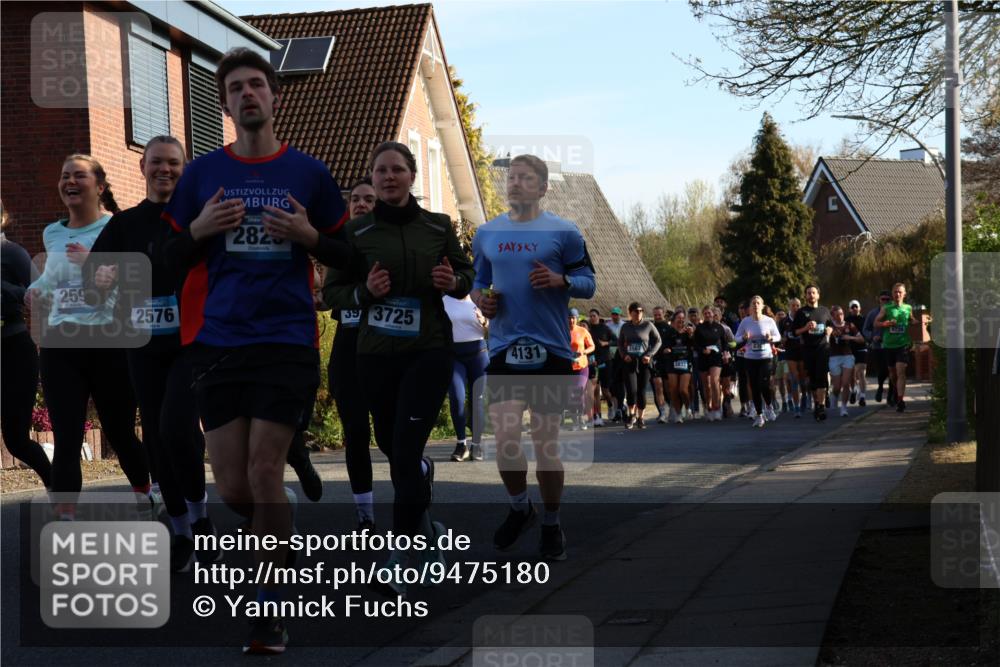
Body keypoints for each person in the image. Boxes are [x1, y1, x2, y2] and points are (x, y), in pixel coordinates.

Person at [162, 48, 350, 654]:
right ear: (225, 104)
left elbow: (353, 256)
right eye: (236, 87)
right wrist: (199, 230)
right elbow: (163, 263)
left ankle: (267, 612)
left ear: (275, 98)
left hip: (286, 340)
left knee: (264, 471)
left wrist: (309, 237)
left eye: (257, 86)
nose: (247, 94)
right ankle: (278, 508)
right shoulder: (199, 176)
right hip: (219, 342)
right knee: (235, 489)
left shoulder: (310, 174)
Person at [326, 140, 473, 590]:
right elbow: (332, 294)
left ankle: (400, 555)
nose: (389, 177)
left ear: (411, 177)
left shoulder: (438, 225)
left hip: (428, 351)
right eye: (380, 171)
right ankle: (428, 534)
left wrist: (454, 282)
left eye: (397, 170)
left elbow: (467, 275)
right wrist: (364, 292)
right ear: (372, 179)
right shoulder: (356, 234)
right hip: (374, 357)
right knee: (395, 451)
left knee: (405, 455)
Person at [83, 136, 218, 571]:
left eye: (174, 163)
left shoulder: (200, 219)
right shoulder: (124, 226)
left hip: (191, 343)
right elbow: (93, 282)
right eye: (156, 162)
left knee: (177, 425)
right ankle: (180, 530)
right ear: (141, 166)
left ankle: (201, 522)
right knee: (158, 437)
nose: (165, 170)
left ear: (186, 168)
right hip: (142, 344)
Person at [471, 153, 596, 561]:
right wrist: (482, 302)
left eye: (525, 178)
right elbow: (478, 282)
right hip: (506, 348)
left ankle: (551, 523)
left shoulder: (564, 231)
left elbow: (589, 283)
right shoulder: (487, 233)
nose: (515, 183)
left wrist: (561, 279)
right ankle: (521, 507)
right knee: (505, 440)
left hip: (552, 350)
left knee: (545, 443)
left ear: (543, 188)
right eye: (511, 178)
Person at [26, 155, 152, 519]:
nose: (70, 181)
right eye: (65, 175)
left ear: (99, 187)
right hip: (62, 343)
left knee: (120, 432)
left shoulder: (118, 228)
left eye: (79, 175)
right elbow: (52, 279)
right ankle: (65, 519)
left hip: (109, 342)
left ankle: (146, 496)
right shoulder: (53, 232)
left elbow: (138, 286)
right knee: (66, 435)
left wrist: (97, 268)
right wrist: (35, 289)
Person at [322, 179, 378, 528]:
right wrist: (358, 295)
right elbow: (330, 294)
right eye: (355, 199)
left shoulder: (391, 240)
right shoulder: (340, 242)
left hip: (385, 345)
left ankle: (417, 469)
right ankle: (365, 511)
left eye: (368, 199)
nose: (360, 204)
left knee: (388, 435)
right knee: (355, 431)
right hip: (347, 345)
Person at [1, 200, 53, 488]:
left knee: (17, 440)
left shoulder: (13, 253)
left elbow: (40, 295)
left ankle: (56, 487)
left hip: (13, 350)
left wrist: (5, 290)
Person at [445, 293, 489, 461]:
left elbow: (491, 330)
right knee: (457, 397)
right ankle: (461, 444)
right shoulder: (443, 301)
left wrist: (484, 322)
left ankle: (476, 445)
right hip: (454, 357)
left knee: (477, 400)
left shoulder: (478, 299)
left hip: (479, 355)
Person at [735, 296, 781, 427]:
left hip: (766, 357)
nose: (755, 306)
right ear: (750, 307)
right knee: (754, 386)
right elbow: (736, 338)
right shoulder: (745, 321)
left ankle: (769, 406)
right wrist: (743, 337)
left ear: (762, 306)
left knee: (764, 384)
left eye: (758, 303)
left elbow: (778, 336)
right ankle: (760, 415)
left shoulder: (769, 321)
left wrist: (770, 337)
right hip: (750, 358)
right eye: (753, 304)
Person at [793, 285, 834, 421]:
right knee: (812, 379)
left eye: (813, 293)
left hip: (822, 348)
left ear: (818, 295)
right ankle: (817, 403)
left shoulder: (824, 310)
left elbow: (830, 325)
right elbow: (794, 332)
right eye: (809, 293)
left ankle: (821, 407)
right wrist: (805, 328)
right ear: (805, 296)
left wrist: (829, 329)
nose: (811, 295)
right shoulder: (801, 312)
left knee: (822, 377)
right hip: (808, 350)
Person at [618, 302, 661, 429]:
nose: (639, 313)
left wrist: (650, 354)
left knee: (641, 391)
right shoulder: (626, 327)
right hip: (629, 361)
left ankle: (641, 417)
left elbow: (658, 341)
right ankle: (632, 415)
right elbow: (620, 343)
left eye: (641, 311)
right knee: (631, 390)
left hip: (644, 362)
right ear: (630, 313)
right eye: (636, 311)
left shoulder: (648, 325)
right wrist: (624, 355)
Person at [874, 282, 916, 412]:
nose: (897, 294)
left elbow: (911, 319)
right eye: (895, 292)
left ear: (904, 294)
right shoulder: (886, 308)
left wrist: (914, 321)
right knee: (892, 374)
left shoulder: (908, 308)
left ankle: (900, 400)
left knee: (901, 371)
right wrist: (885, 323)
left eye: (900, 292)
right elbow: (876, 323)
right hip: (889, 345)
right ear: (892, 294)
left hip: (903, 344)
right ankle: (896, 392)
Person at [695, 305, 730, 421]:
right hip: (704, 358)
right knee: (706, 385)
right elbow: (695, 344)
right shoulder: (699, 328)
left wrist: (725, 352)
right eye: (705, 313)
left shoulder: (719, 327)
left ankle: (717, 408)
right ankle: (709, 407)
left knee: (715, 381)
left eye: (709, 313)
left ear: (713, 314)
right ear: (703, 315)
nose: (707, 315)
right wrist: (702, 350)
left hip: (716, 357)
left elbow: (724, 342)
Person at [660, 310, 695, 424]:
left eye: (682, 318)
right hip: (672, 362)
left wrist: (691, 335)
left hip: (685, 361)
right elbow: (664, 346)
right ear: (673, 321)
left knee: (683, 389)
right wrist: (666, 349)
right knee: (673, 389)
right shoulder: (669, 332)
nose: (680, 320)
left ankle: (688, 407)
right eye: (678, 318)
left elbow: (694, 344)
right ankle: (678, 413)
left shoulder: (688, 331)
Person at [828, 305, 862, 417]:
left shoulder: (849, 325)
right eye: (837, 315)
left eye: (841, 314)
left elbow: (861, 339)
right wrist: (828, 335)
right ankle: (834, 397)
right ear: (832, 316)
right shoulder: (830, 326)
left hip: (847, 356)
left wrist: (851, 338)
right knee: (837, 386)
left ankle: (843, 407)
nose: (840, 316)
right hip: (834, 357)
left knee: (846, 383)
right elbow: (825, 339)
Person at [863, 290, 893, 403]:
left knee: (892, 371)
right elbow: (865, 329)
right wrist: (873, 336)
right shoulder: (872, 314)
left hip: (892, 346)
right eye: (883, 299)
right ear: (879, 300)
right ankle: (880, 387)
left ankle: (891, 394)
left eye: (887, 299)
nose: (885, 301)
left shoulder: (894, 312)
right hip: (877, 347)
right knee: (882, 371)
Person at [568, 308, 596, 429]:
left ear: (577, 318)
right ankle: (575, 420)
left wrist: (583, 351)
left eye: (573, 318)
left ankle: (581, 419)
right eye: (569, 318)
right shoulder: (561, 331)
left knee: (578, 391)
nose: (571, 320)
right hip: (567, 367)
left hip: (581, 366)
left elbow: (592, 346)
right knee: (570, 395)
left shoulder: (582, 330)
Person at [587, 309, 613, 427]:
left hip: (606, 361)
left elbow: (617, 340)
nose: (592, 318)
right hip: (594, 362)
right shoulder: (589, 329)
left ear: (598, 316)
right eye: (590, 316)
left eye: (594, 316)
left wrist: (606, 343)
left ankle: (611, 405)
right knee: (596, 390)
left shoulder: (605, 328)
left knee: (606, 390)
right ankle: (598, 416)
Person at [779, 299, 804, 417]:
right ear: (789, 306)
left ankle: (805, 396)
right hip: (790, 353)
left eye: (798, 305)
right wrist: (783, 340)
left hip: (803, 351)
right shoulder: (784, 321)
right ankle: (797, 407)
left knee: (803, 379)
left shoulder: (804, 318)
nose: (795, 308)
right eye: (793, 305)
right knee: (794, 378)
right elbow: (780, 339)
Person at [650, 306, 672, 423]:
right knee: (658, 386)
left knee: (668, 388)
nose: (657, 317)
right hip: (655, 360)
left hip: (667, 361)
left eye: (659, 314)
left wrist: (669, 349)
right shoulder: (650, 327)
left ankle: (671, 407)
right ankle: (662, 412)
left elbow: (673, 343)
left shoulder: (668, 328)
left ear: (663, 314)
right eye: (655, 315)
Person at [845, 299, 868, 407]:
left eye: (856, 306)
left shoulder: (864, 319)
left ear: (860, 308)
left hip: (862, 348)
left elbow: (867, 334)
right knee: (851, 375)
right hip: (849, 350)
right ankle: (854, 390)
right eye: (852, 307)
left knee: (861, 372)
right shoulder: (846, 320)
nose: (854, 308)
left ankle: (862, 396)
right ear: (849, 309)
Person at [606, 306, 626, 422]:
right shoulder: (608, 326)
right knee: (612, 384)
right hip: (610, 356)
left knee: (621, 383)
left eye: (617, 314)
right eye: (613, 314)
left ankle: (621, 406)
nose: (615, 316)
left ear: (620, 315)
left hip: (622, 357)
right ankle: (615, 408)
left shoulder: (624, 325)